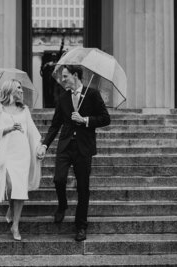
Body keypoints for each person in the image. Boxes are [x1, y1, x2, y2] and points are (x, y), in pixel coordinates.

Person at [37, 65, 110, 242]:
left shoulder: (92, 94)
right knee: (58, 179)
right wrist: (45, 145)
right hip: (65, 145)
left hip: (83, 148)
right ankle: (62, 205)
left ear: (75, 75)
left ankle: (81, 226)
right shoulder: (62, 97)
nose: (62, 80)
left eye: (65, 76)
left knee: (83, 188)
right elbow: (55, 125)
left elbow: (105, 118)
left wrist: (85, 120)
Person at [0, 79, 41, 241]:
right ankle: (11, 209)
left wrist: (39, 147)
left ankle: (16, 225)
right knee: (11, 186)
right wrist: (9, 128)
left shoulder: (24, 109)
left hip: (23, 152)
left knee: (20, 189)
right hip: (8, 152)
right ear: (11, 89)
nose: (22, 91)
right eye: (19, 88)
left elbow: (32, 131)